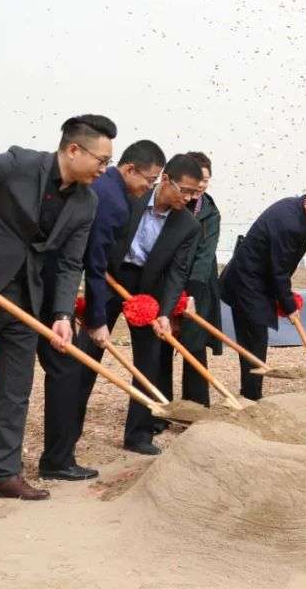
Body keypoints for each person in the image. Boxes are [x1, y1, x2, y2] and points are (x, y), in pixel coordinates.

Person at [0, 139, 165, 481]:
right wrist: (96, 319)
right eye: (149, 180)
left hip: (35, 287)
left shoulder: (97, 191)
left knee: (10, 367)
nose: (148, 188)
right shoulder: (111, 200)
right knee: (65, 371)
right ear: (129, 169)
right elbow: (93, 264)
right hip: (43, 290)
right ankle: (58, 459)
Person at [0, 115, 113, 499]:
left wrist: (62, 315)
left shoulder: (87, 202)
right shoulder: (18, 163)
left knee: (16, 389)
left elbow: (71, 263)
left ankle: (4, 474)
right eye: (102, 160)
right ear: (74, 149)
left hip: (28, 300)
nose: (104, 169)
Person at [110, 153, 203, 455]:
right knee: (88, 351)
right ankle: (64, 441)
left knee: (149, 359)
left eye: (194, 193)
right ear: (165, 180)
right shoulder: (132, 197)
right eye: (184, 190)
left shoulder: (188, 225)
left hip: (150, 286)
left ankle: (138, 434)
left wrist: (165, 313)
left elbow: (177, 272)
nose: (188, 198)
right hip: (111, 277)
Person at [221, 183, 306, 398]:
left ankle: (250, 393)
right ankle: (252, 397)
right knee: (254, 341)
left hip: (256, 279)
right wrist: (289, 305)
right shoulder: (291, 224)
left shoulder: (296, 210)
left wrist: (285, 299)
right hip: (247, 282)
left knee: (253, 340)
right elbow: (279, 270)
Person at [175, 151, 222, 408]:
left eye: (206, 179)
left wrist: (191, 292)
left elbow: (205, 255)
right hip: (169, 279)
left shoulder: (210, 212)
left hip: (199, 282)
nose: (201, 185)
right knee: (163, 341)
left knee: (194, 341)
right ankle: (159, 406)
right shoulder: (174, 202)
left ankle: (196, 404)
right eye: (198, 179)